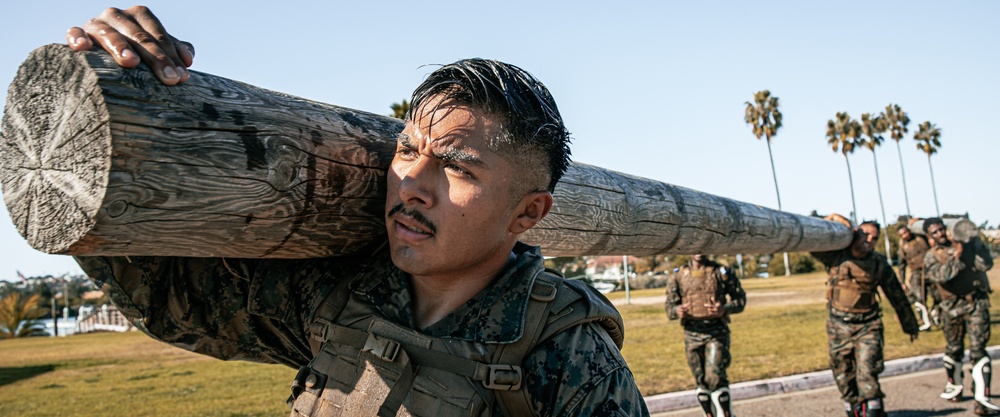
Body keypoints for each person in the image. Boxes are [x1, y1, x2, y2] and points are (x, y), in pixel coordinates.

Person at [66, 6, 649, 417]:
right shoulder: (340, 296)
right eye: (407, 149)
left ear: (528, 213)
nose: (411, 184)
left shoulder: (569, 360)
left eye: (458, 168)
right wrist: (107, 112)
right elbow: (173, 302)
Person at [811, 214, 919, 417]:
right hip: (838, 326)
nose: (869, 239)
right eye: (865, 234)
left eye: (874, 237)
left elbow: (896, 295)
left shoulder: (878, 263)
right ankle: (853, 409)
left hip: (868, 325)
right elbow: (813, 240)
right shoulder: (835, 256)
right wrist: (833, 218)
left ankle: (875, 411)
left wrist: (910, 325)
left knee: (867, 372)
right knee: (843, 375)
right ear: (855, 233)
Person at [922, 217, 998, 415]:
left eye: (941, 230)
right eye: (934, 232)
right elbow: (941, 276)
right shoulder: (931, 256)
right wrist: (958, 255)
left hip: (975, 303)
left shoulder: (967, 245)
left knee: (978, 351)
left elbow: (986, 264)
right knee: (954, 349)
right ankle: (955, 386)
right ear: (929, 237)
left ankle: (982, 400)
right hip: (950, 308)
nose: (939, 234)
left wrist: (976, 243)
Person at [665, 254, 746, 417]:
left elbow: (740, 300)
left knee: (715, 377)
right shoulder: (678, 275)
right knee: (700, 380)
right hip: (692, 334)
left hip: (716, 333)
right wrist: (677, 310)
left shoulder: (721, 272)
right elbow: (669, 307)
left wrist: (724, 309)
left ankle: (725, 414)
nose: (698, 251)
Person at [896, 224, 936, 330]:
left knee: (937, 296)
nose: (905, 235)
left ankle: (936, 317)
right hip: (916, 274)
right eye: (902, 234)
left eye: (906, 232)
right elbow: (901, 266)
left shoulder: (920, 237)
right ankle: (924, 321)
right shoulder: (902, 247)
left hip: (930, 270)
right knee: (919, 299)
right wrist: (902, 281)